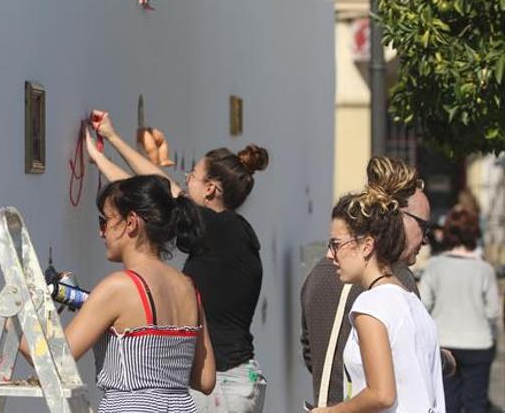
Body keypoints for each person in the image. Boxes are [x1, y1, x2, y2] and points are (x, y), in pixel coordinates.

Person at [85, 110, 269, 412]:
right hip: (236, 379)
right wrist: (110, 140)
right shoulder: (229, 233)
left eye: (192, 176)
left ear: (210, 189)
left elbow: (155, 193)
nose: (185, 182)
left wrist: (102, 151)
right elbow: (155, 192)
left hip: (223, 384)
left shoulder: (220, 228)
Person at [22, 175, 216, 412]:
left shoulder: (119, 287)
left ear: (131, 222)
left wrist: (14, 316)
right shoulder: (188, 287)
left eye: (105, 221)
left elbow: (52, 362)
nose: (101, 233)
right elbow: (205, 380)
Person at [300, 156, 446, 407]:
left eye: (337, 244)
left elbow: (381, 392)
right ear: (398, 218)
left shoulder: (330, 281)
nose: (424, 239)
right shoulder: (401, 290)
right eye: (423, 226)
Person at [419, 206, 501, 413]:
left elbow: (424, 304)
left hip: (444, 342)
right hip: (478, 343)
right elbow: (493, 311)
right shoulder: (485, 269)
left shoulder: (434, 266)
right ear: (474, 234)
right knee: (476, 404)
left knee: (446, 403)